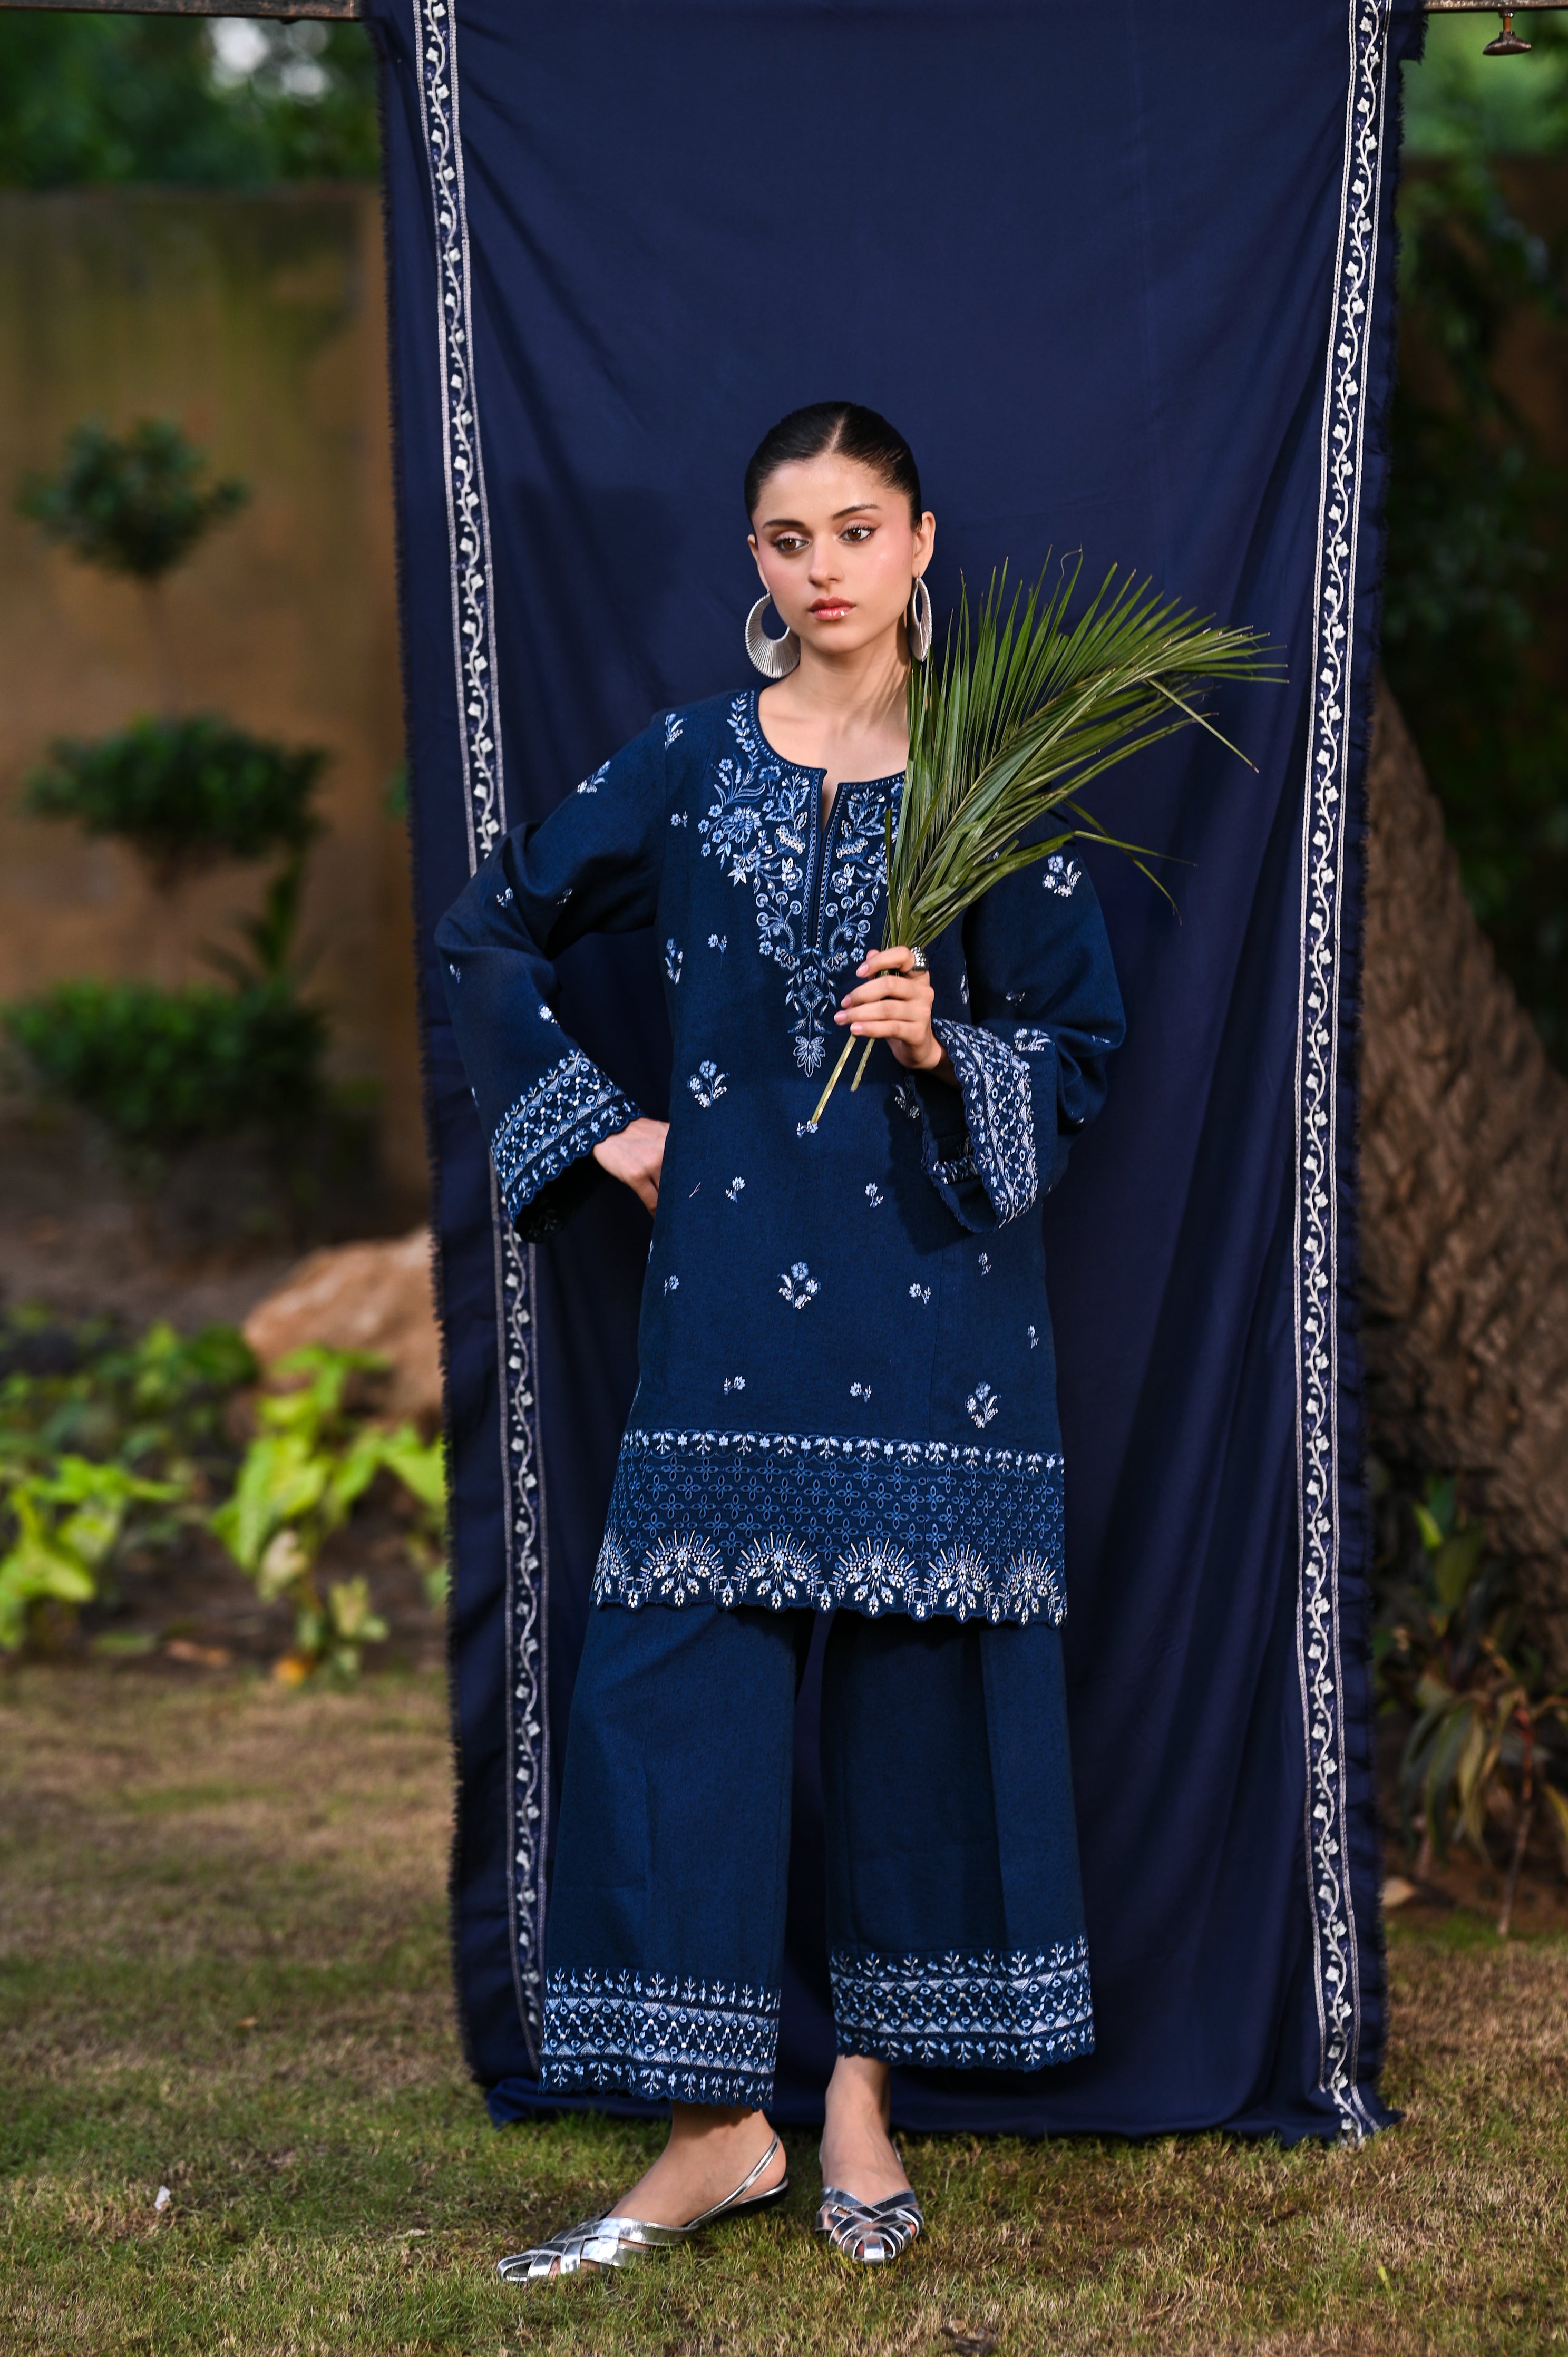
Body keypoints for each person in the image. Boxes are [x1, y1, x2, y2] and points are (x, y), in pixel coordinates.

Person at [436, 402, 1125, 2279]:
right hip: (728, 1308)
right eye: (788, 537)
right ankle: (712, 2131)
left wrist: (941, 1041)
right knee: (674, 1709)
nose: (824, 568)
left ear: (922, 541)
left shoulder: (994, 774)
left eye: (856, 529)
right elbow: (489, 934)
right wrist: (605, 1131)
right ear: (753, 560)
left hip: (934, 1315)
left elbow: (1078, 1050)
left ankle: (861, 2106)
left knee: (916, 1714)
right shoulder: (685, 762)